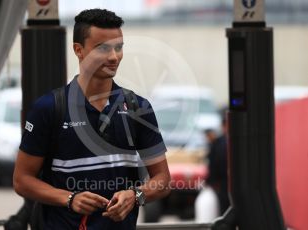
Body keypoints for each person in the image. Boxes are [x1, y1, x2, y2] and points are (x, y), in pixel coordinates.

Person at [13, 9, 170, 230]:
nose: (114, 56)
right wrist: (69, 198)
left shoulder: (138, 107)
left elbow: (162, 180)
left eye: (119, 47)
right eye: (103, 48)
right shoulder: (49, 108)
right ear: (79, 50)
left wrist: (136, 196)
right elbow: (22, 180)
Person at [206, 108, 230, 215]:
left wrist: (211, 181)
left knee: (224, 209)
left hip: (223, 183)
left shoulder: (218, 143)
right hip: (233, 182)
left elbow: (213, 163)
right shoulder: (241, 141)